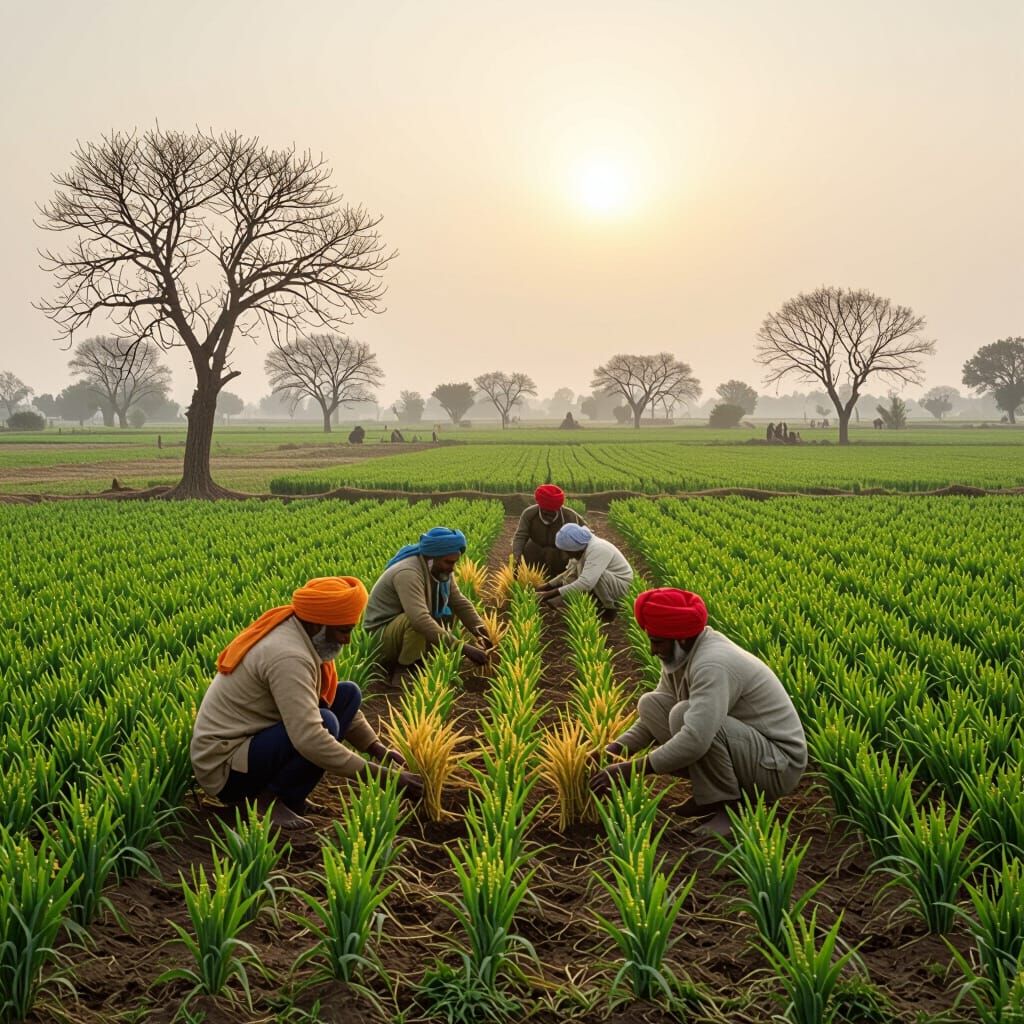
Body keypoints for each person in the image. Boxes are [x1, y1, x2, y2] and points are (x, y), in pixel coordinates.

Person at [190, 577, 422, 831]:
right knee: (326, 723)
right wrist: (385, 776)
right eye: (342, 630)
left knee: (347, 695)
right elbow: (310, 738)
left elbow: (326, 698)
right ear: (317, 624)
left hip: (254, 742)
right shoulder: (289, 656)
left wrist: (376, 748)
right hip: (226, 767)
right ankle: (265, 800)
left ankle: (291, 798)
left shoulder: (304, 635)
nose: (346, 640)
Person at [590, 589, 807, 836]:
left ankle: (731, 809)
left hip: (776, 766)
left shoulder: (712, 664)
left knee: (687, 717)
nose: (652, 649)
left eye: (657, 642)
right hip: (746, 750)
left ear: (680, 639)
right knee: (653, 703)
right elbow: (654, 717)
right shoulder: (682, 654)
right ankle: (709, 797)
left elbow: (697, 738)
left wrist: (633, 769)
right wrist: (616, 749)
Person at [363, 527, 494, 676]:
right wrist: (463, 648)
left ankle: (422, 657)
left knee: (449, 610)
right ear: (432, 558)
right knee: (415, 621)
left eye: (455, 562)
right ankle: (404, 669)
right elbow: (419, 620)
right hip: (379, 638)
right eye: (448, 562)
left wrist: (482, 632)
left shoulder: (439, 570)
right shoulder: (408, 573)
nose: (452, 568)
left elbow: (459, 602)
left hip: (399, 633)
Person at [536, 524, 634, 620]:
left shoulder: (599, 549)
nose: (566, 555)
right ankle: (598, 602)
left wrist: (548, 594)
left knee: (594, 576)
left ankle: (610, 609)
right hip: (607, 583)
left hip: (620, 586)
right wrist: (546, 586)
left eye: (568, 552)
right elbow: (569, 572)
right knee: (576, 572)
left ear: (576, 547)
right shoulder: (582, 549)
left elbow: (586, 583)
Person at [512, 484, 587, 576]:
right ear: (540, 507)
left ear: (558, 508)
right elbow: (520, 536)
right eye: (545, 512)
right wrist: (517, 555)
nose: (549, 516)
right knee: (529, 553)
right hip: (536, 549)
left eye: (552, 513)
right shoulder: (529, 514)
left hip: (561, 552)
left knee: (561, 573)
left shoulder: (569, 516)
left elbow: (583, 536)